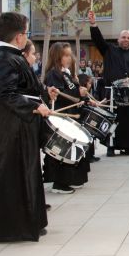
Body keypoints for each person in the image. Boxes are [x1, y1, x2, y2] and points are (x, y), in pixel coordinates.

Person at [0, 12, 55, 242]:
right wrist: (34, 107)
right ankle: (15, 228)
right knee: (17, 175)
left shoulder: (12, 56)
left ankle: (29, 222)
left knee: (27, 173)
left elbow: (26, 88)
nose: (27, 37)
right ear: (19, 37)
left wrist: (44, 95)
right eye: (26, 32)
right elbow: (4, 93)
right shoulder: (6, 58)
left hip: (21, 126)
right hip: (13, 129)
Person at [89, 10, 129, 157]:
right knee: (114, 121)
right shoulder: (109, 50)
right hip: (113, 95)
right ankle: (112, 146)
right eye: (123, 37)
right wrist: (93, 24)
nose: (126, 39)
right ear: (118, 39)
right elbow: (98, 40)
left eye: (128, 38)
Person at [42, 42, 91, 194]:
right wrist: (78, 94)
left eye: (70, 55)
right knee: (63, 151)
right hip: (61, 117)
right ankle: (60, 183)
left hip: (71, 115)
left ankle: (73, 179)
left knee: (73, 149)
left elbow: (72, 92)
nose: (69, 58)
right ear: (57, 56)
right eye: (66, 55)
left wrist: (80, 90)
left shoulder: (66, 73)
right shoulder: (53, 74)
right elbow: (59, 97)